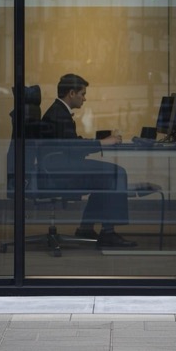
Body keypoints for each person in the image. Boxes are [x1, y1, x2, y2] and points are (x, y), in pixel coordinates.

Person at [40, 73, 137, 248]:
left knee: (105, 177)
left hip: (58, 167)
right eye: (82, 94)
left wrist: (99, 142)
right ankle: (108, 233)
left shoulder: (58, 112)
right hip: (59, 172)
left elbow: (69, 143)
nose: (84, 99)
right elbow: (72, 147)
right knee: (115, 173)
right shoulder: (59, 115)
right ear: (71, 93)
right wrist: (102, 142)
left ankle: (86, 227)